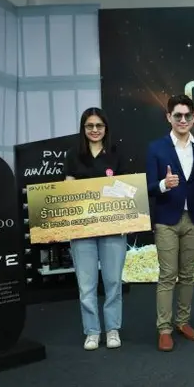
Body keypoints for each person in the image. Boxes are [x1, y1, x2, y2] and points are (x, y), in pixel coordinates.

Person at [146, 94, 194, 352]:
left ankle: (183, 322)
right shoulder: (156, 148)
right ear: (169, 117)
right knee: (167, 275)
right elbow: (149, 186)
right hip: (166, 220)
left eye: (187, 115)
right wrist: (164, 184)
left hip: (193, 219)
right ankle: (164, 329)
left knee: (187, 274)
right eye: (178, 115)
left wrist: (193, 200)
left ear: (193, 118)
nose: (183, 120)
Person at [64, 108, 128, 351]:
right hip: (82, 229)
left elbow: (126, 190)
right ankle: (92, 331)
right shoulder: (73, 155)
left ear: (105, 128)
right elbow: (67, 192)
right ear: (83, 128)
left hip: (112, 227)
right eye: (89, 125)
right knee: (86, 286)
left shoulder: (116, 154)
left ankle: (112, 329)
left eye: (99, 125)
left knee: (113, 282)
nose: (94, 130)